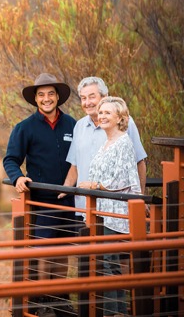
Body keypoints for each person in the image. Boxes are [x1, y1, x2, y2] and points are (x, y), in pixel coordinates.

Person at [3, 73, 77, 317]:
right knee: (44, 249)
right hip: (42, 201)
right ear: (35, 99)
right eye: (41, 95)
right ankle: (42, 300)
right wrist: (18, 177)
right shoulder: (25, 128)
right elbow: (11, 159)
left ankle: (60, 298)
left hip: (68, 200)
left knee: (62, 250)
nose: (47, 99)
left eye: (51, 94)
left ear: (58, 97)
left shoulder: (73, 126)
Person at [78, 96, 141, 316]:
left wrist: (93, 184)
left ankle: (116, 313)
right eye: (101, 112)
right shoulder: (107, 143)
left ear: (119, 118)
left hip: (115, 215)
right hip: (100, 211)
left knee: (109, 265)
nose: (102, 116)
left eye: (107, 113)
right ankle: (113, 312)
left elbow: (121, 181)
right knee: (105, 265)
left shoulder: (123, 142)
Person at [60, 77, 147, 221]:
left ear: (104, 97)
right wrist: (63, 190)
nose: (87, 103)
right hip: (83, 207)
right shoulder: (79, 126)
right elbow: (75, 167)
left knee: (111, 243)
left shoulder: (124, 123)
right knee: (83, 243)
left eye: (92, 97)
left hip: (114, 209)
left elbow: (139, 162)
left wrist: (140, 199)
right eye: (83, 98)